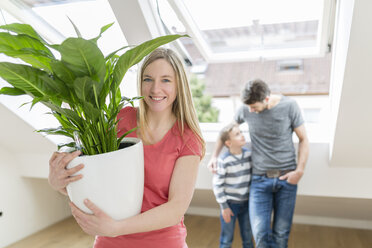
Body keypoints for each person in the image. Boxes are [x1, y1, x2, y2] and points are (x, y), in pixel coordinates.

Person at [48, 48, 205, 248]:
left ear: (179, 85)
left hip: (162, 243)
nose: (155, 89)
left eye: (166, 80)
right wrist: (59, 184)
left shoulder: (187, 137)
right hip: (109, 242)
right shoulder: (122, 118)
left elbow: (176, 209)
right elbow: (93, 183)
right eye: (148, 79)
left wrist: (116, 228)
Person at [208, 79, 309, 248]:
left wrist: (300, 171)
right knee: (260, 234)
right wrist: (214, 156)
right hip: (259, 180)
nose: (250, 111)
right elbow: (224, 132)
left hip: (287, 179)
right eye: (248, 107)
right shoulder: (246, 109)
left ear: (267, 99)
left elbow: (304, 139)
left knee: (281, 235)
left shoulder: (289, 106)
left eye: (254, 107)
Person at [212, 123, 254, 248]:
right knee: (227, 237)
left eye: (241, 132)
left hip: (246, 204)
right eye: (237, 134)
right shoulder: (224, 160)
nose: (242, 135)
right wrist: (224, 206)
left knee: (248, 236)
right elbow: (217, 185)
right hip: (229, 205)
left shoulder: (249, 155)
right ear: (228, 143)